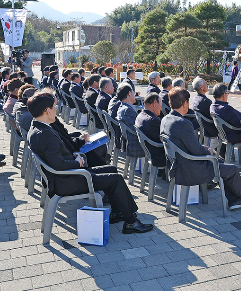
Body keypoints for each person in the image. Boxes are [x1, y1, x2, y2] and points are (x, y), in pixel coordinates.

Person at [27, 90, 153, 232]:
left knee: (112, 169)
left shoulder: (37, 127)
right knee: (116, 179)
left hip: (66, 175)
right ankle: (131, 222)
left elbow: (56, 158)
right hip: (67, 180)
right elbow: (59, 165)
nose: (56, 110)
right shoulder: (45, 134)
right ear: (47, 110)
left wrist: (75, 157)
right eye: (54, 107)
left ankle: (118, 212)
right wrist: (77, 162)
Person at [160, 88, 241, 210]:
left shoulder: (166, 119)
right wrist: (208, 151)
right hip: (189, 168)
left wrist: (202, 148)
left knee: (222, 164)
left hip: (177, 164)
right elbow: (196, 151)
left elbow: (190, 146)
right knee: (232, 169)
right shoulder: (182, 123)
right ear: (184, 103)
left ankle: (235, 199)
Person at [210, 83, 241, 159]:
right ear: (223, 95)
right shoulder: (226, 109)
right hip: (232, 135)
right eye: (227, 93)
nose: (227, 95)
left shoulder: (212, 106)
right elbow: (239, 123)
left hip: (222, 133)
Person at [135, 93, 167, 178]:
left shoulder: (140, 116)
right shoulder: (152, 121)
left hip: (149, 152)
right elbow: (164, 140)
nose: (161, 109)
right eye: (160, 105)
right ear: (154, 104)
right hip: (158, 155)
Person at [116, 84, 142, 157]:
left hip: (130, 142)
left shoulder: (122, 107)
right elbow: (138, 130)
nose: (134, 95)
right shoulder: (127, 110)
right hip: (136, 145)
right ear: (129, 93)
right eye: (133, 92)